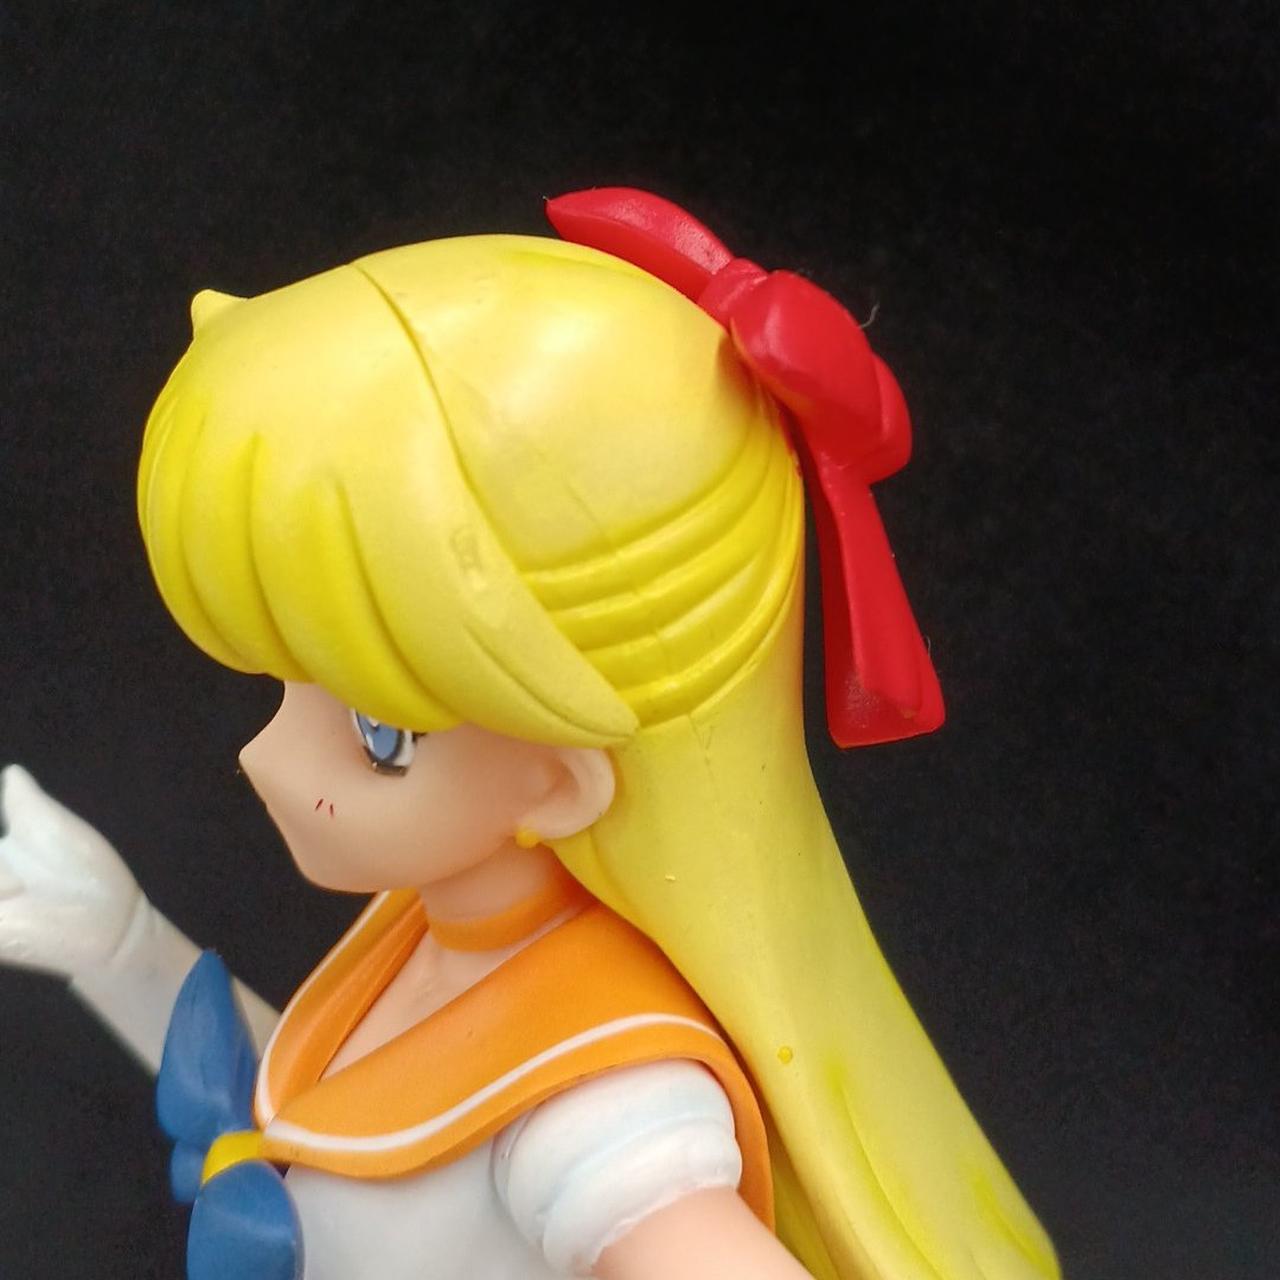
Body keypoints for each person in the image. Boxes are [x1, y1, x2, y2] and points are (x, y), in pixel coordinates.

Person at [0, 190, 1058, 1280]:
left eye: (378, 733)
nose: (265, 757)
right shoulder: (437, 936)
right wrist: (122, 947)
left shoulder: (604, 1114)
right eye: (284, 686)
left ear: (559, 783)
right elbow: (335, 1122)